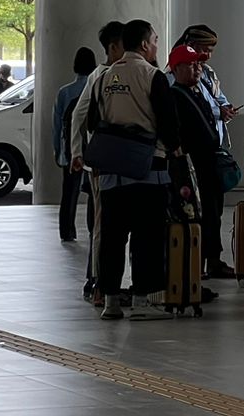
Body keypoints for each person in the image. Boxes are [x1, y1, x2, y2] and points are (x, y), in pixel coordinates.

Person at [80, 19, 181, 322]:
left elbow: (92, 120)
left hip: (112, 171)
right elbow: (167, 122)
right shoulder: (153, 76)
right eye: (155, 40)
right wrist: (175, 150)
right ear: (145, 44)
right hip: (149, 169)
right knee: (147, 237)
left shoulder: (104, 77)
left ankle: (110, 300)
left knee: (112, 237)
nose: (156, 45)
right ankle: (141, 301)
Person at [173, 23, 241, 278]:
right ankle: (195, 264)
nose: (204, 59)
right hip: (192, 158)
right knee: (196, 211)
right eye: (203, 50)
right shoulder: (175, 79)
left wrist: (224, 110)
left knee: (214, 210)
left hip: (212, 152)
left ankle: (212, 259)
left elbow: (218, 99)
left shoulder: (208, 74)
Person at [69, 21, 128, 306]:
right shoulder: (102, 75)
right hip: (105, 161)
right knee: (103, 224)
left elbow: (78, 116)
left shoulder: (107, 74)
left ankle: (101, 281)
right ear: (113, 47)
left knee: (107, 224)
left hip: (110, 159)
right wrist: (77, 153)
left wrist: (78, 153)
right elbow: (79, 115)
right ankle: (97, 282)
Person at [167, 43, 224, 299]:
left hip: (207, 166)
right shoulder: (175, 96)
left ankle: (204, 270)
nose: (198, 68)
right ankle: (192, 276)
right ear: (176, 68)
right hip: (193, 169)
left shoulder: (196, 93)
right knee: (194, 220)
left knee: (210, 216)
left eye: (198, 64)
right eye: (192, 64)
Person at [53, 47, 98, 244]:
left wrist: (58, 150)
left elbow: (56, 124)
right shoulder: (96, 87)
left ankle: (67, 231)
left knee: (69, 191)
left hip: (69, 148)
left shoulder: (65, 92)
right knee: (93, 192)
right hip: (93, 148)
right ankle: (92, 229)